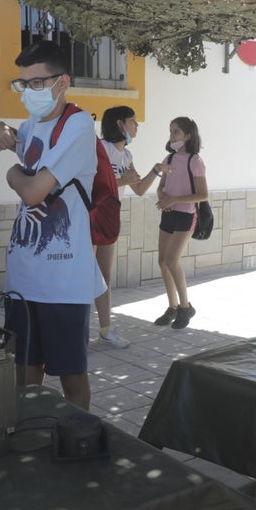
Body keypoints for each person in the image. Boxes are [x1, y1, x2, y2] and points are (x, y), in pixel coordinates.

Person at [0, 40, 104, 410]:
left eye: (38, 83)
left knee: (72, 378)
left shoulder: (79, 125)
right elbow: (16, 140)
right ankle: (29, 437)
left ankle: (80, 436)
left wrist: (11, 172)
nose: (30, 92)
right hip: (24, 275)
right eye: (24, 84)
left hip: (64, 280)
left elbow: (34, 191)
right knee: (23, 373)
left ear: (62, 81)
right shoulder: (33, 122)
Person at [92, 105, 164, 348]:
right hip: (91, 214)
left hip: (111, 215)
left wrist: (156, 170)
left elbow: (140, 188)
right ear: (120, 124)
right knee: (83, 275)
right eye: (133, 121)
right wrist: (122, 180)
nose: (137, 126)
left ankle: (106, 329)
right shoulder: (100, 148)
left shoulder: (127, 157)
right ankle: (78, 331)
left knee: (104, 277)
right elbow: (92, 183)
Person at [152, 117, 207, 329]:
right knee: (162, 261)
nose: (172, 135)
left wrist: (175, 200)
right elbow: (161, 186)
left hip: (185, 215)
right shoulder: (169, 158)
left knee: (172, 260)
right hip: (168, 214)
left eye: (176, 132)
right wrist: (163, 198)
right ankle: (172, 306)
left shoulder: (195, 160)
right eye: (171, 131)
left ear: (188, 135)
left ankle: (185, 307)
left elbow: (203, 194)